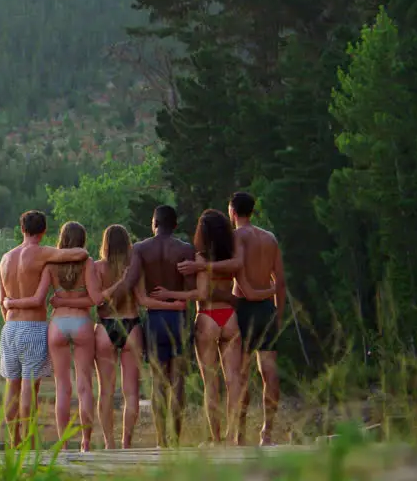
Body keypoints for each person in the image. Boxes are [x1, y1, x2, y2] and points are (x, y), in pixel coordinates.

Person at [176, 192, 284, 446]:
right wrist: (276, 308)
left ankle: (225, 438)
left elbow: (236, 289)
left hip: (225, 313)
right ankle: (257, 433)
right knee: (247, 375)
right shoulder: (266, 239)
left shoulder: (222, 245)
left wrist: (196, 271)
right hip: (249, 314)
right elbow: (279, 281)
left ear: (233, 211)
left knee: (216, 381)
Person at [151, 209, 268, 445]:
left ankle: (216, 438)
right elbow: (237, 268)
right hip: (230, 318)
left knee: (211, 383)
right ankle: (237, 436)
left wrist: (171, 293)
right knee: (233, 379)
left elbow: (202, 293)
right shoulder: (231, 256)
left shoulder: (201, 257)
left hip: (208, 317)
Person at [4, 222, 102, 451]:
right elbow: (96, 299)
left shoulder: (50, 265)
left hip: (57, 324)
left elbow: (43, 297)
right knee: (85, 386)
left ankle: (64, 443)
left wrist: (61, 301)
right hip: (81, 323)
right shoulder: (86, 262)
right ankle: (86, 442)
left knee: (62, 387)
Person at [105, 205, 191, 448]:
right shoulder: (185, 249)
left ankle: (161, 440)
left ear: (154, 224)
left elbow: (130, 280)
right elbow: (191, 289)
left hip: (154, 321)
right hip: (179, 319)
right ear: (175, 225)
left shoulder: (141, 248)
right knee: (178, 382)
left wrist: (108, 302)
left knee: (157, 382)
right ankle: (175, 439)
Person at [93, 224, 144, 449]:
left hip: (105, 327)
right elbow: (142, 299)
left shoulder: (97, 268)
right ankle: (126, 443)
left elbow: (97, 300)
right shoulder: (134, 268)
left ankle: (108, 442)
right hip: (132, 325)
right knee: (131, 392)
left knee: (105, 391)